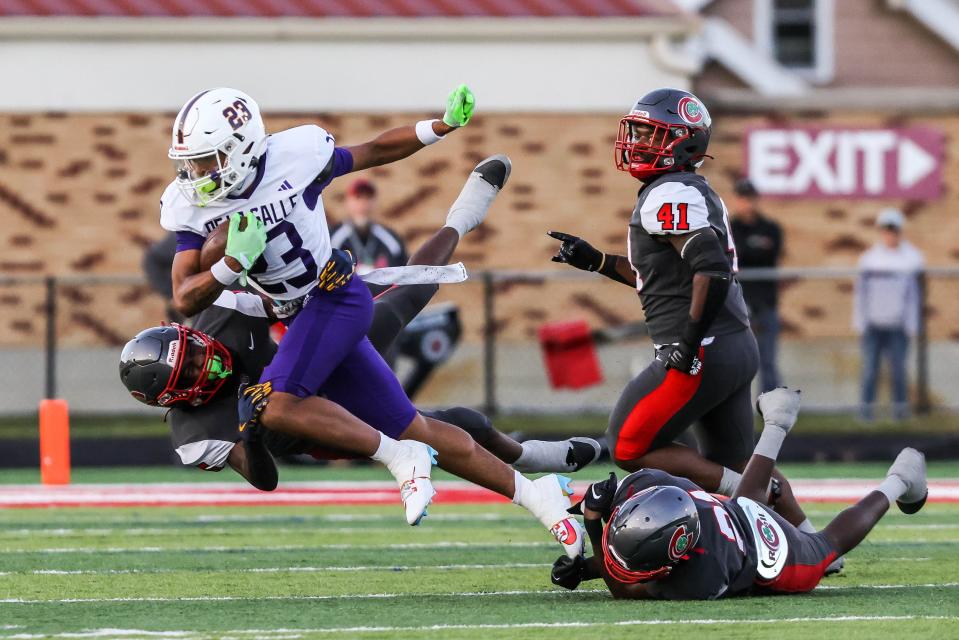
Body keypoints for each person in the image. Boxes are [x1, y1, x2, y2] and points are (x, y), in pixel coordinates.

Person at [140, 156, 592, 555]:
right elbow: (265, 480)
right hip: (322, 427)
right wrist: (251, 433)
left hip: (318, 357)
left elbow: (278, 299)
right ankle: (524, 461)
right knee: (446, 425)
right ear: (181, 398)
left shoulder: (218, 315)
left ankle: (463, 216)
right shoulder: (194, 432)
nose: (207, 360)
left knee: (407, 292)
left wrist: (321, 279)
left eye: (194, 351)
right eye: (195, 371)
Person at [546, 88, 813, 534]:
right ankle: (808, 538)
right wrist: (595, 260)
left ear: (683, 142)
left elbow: (710, 268)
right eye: (639, 131)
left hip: (701, 347)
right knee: (734, 456)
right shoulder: (687, 189)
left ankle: (744, 490)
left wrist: (687, 345)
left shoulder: (668, 191)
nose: (638, 141)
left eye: (651, 134)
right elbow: (665, 278)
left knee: (629, 445)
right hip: (731, 341)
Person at [550, 387, 928, 600]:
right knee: (743, 503)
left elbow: (625, 588)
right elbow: (637, 548)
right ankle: (776, 424)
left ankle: (899, 479)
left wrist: (595, 530)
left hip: (766, 551)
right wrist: (587, 563)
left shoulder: (699, 577)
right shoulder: (652, 486)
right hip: (730, 513)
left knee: (824, 548)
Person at [853, 208, 924, 422]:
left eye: (893, 230)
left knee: (899, 372)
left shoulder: (912, 258)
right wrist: (860, 321)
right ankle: (866, 412)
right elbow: (861, 294)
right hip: (874, 324)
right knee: (869, 371)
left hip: (898, 325)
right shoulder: (869, 259)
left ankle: (900, 413)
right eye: (886, 230)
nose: (890, 234)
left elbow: (913, 297)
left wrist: (912, 325)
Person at [730, 177, 783, 392]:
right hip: (738, 304)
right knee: (738, 360)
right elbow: (737, 255)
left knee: (767, 360)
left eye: (750, 198)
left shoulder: (770, 227)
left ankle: (770, 408)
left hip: (765, 301)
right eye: (743, 198)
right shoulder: (730, 227)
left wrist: (748, 251)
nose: (747, 203)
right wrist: (755, 249)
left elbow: (771, 254)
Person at [330, 178, 408, 297]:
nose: (363, 204)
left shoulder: (391, 240)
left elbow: (404, 277)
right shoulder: (333, 239)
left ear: (375, 202)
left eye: (368, 198)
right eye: (358, 197)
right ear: (347, 202)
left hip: (383, 306)